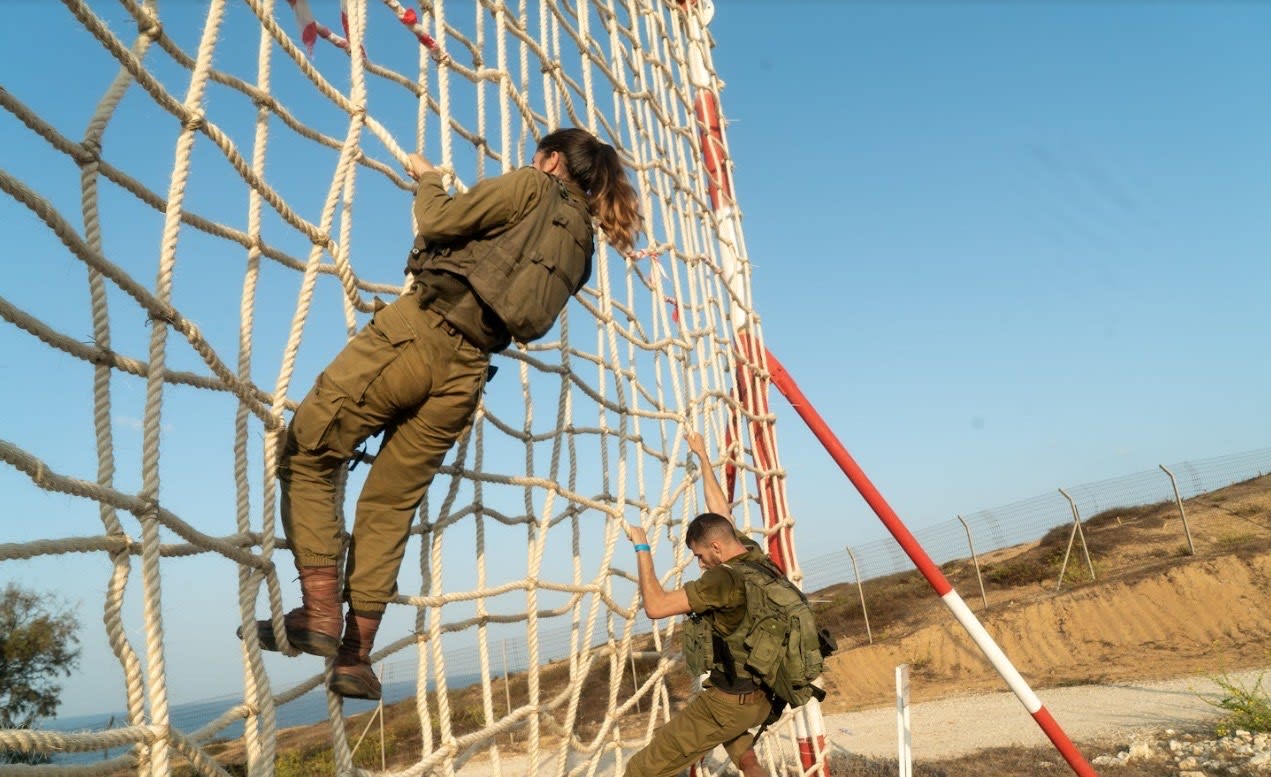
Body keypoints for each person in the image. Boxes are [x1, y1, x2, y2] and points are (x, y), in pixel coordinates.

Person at [242, 128, 641, 701]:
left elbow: (439, 223)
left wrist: (428, 180)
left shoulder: (533, 184)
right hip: (468, 374)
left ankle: (322, 613)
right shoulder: (585, 245)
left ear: (553, 160)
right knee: (390, 503)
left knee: (307, 450)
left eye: (537, 154)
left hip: (417, 335)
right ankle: (355, 657)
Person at [622, 430, 770, 777]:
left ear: (716, 549)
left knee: (639, 769)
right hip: (763, 696)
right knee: (744, 756)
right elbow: (720, 513)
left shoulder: (722, 579)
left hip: (728, 704)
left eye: (700, 556)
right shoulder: (754, 556)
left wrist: (641, 546)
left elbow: (656, 606)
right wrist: (703, 456)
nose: (700, 564)